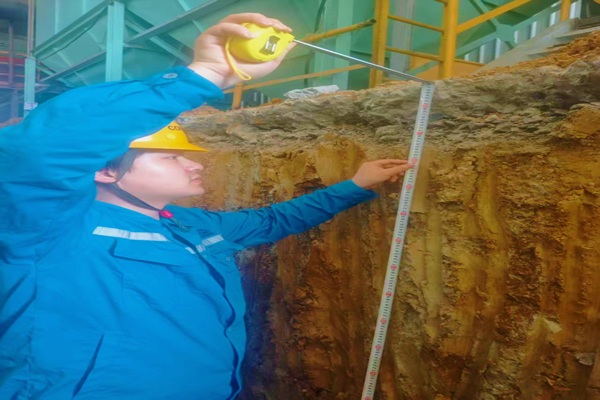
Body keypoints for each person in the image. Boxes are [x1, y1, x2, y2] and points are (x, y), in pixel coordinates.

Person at [0, 13, 413, 400]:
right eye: (170, 157)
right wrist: (206, 74)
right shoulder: (47, 230)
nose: (193, 164)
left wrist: (355, 186)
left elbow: (272, 220)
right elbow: (38, 152)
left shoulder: (189, 226)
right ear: (106, 171)